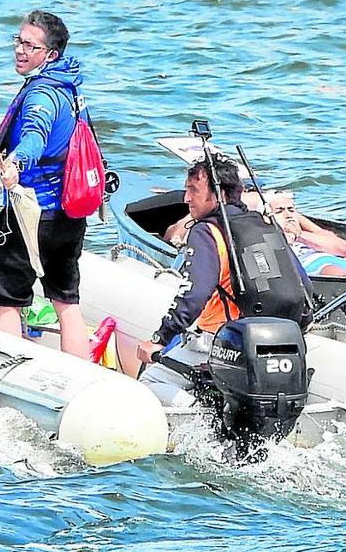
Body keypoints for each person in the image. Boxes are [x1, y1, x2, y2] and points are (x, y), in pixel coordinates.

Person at [131, 157, 315, 402]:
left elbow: (194, 294)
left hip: (222, 342)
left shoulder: (207, 231)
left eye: (193, 190)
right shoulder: (267, 224)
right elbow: (305, 285)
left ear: (218, 195)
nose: (186, 198)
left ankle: (202, 418)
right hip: (280, 340)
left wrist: (160, 339)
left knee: (151, 381)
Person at [0, 10, 90, 359]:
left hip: (31, 211)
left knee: (8, 302)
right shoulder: (71, 89)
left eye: (29, 46)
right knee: (66, 301)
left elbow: (34, 136)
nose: (19, 50)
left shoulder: (41, 97)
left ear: (50, 55)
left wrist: (15, 164)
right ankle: (79, 377)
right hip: (68, 214)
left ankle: (8, 376)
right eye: (18, 41)